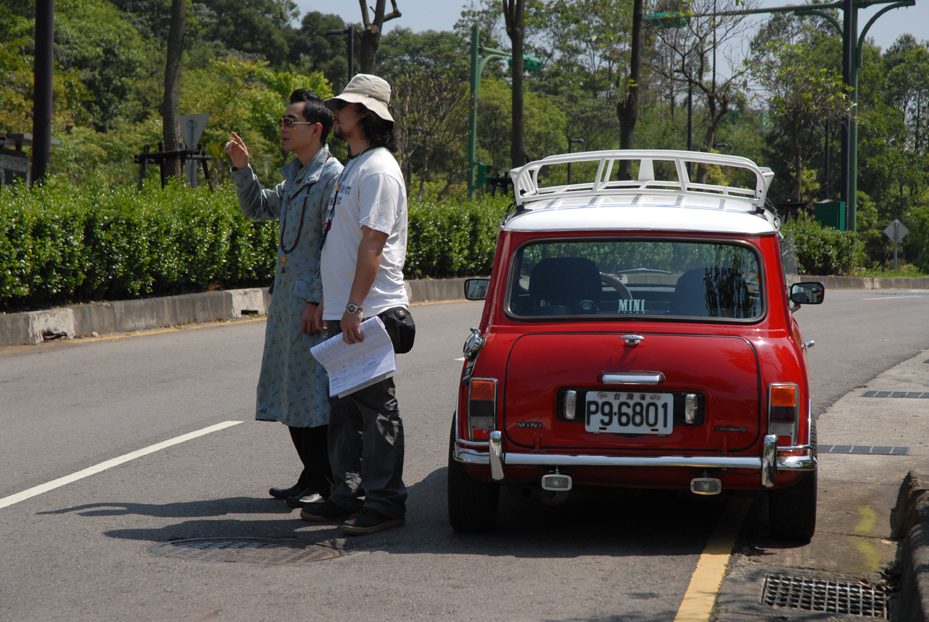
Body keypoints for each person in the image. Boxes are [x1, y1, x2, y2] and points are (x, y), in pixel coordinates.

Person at [300, 74, 409, 535]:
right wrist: (333, 301)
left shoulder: (379, 169)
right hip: (346, 309)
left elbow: (373, 245)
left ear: (363, 114)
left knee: (375, 409)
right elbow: (343, 245)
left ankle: (385, 502)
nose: (336, 113)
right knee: (343, 407)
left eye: (343, 107)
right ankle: (348, 494)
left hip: (369, 311)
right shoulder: (358, 166)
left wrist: (353, 309)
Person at [224, 89, 343, 509]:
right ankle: (312, 474)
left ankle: (328, 481)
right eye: (282, 122)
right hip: (286, 303)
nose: (283, 128)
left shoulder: (332, 176)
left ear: (317, 129)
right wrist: (243, 168)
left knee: (311, 395)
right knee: (289, 391)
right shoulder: (295, 172)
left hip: (311, 306)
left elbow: (335, 244)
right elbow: (258, 209)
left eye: (290, 122)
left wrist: (316, 298)